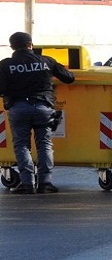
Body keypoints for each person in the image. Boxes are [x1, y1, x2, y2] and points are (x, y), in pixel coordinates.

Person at [0, 32, 75, 194]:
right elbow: (69, 78)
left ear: (12, 46)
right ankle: (45, 183)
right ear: (31, 45)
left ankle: (27, 184)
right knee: (45, 144)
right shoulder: (46, 61)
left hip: (19, 108)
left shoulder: (5, 65)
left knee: (22, 146)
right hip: (44, 107)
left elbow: (1, 88)